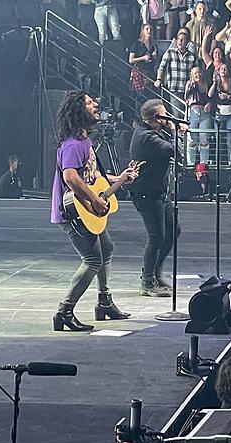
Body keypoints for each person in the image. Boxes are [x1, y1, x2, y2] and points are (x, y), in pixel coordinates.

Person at [50, 91, 138, 331]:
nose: (96, 105)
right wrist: (94, 201)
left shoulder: (86, 142)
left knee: (106, 248)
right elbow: (71, 177)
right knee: (92, 259)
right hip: (74, 213)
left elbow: (93, 177)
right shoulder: (72, 145)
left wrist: (120, 179)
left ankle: (104, 302)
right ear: (79, 111)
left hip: (84, 210)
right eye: (90, 103)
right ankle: (64, 312)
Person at [128, 99, 184, 297]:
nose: (168, 117)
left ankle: (155, 272)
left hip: (158, 191)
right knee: (156, 236)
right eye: (164, 114)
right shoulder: (146, 137)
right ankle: (148, 281)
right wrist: (176, 131)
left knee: (173, 230)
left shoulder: (151, 131)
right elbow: (173, 152)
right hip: (146, 193)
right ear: (156, 118)